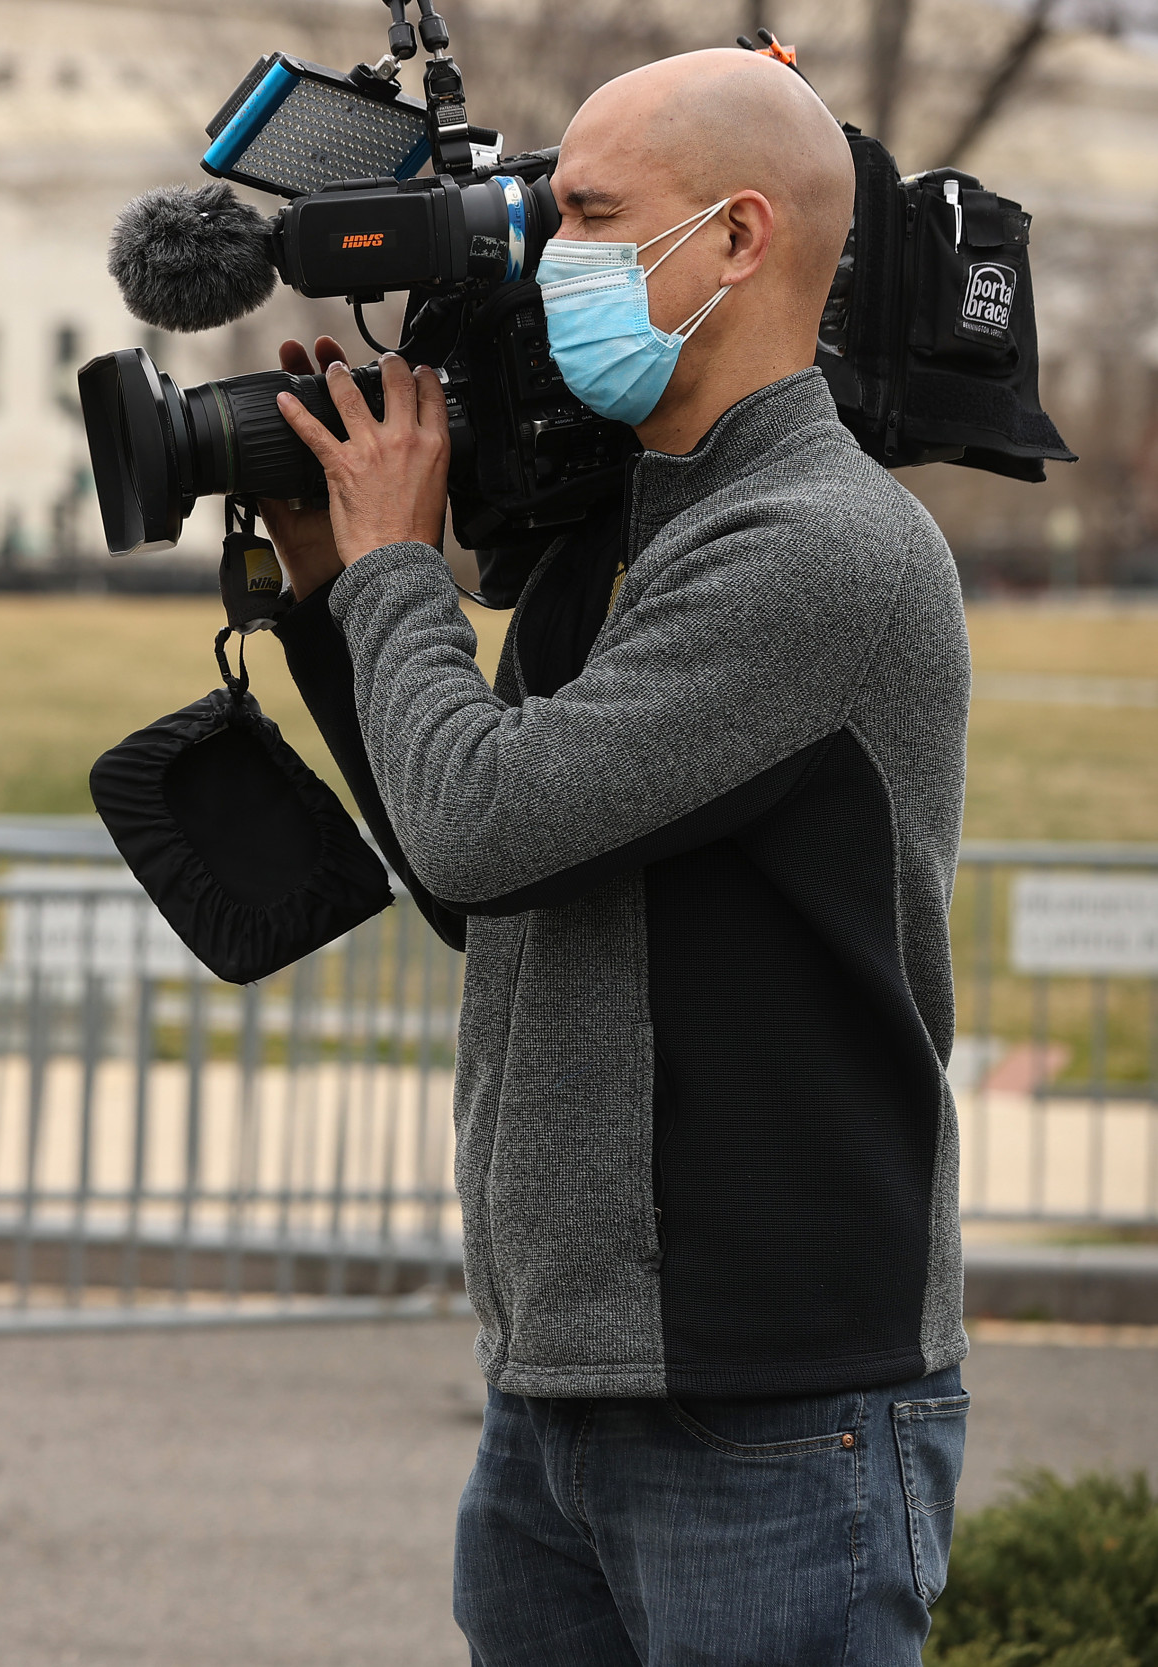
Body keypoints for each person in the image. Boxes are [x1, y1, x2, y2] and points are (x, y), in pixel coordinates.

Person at [259, 48, 972, 1665]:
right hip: (570, 1376)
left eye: (583, 214)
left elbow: (485, 819)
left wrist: (394, 578)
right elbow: (477, 875)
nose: (543, 255)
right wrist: (333, 593)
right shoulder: (625, 536)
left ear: (734, 239)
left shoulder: (819, 547)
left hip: (769, 1403)